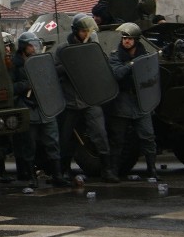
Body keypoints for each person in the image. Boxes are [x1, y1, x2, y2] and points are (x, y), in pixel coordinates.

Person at [54, 13, 119, 183]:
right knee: (66, 137)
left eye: (87, 31)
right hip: (70, 100)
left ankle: (107, 170)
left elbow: (103, 66)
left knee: (100, 133)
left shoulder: (93, 47)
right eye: (83, 31)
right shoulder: (63, 49)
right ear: (76, 31)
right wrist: (70, 65)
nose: (86, 34)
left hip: (91, 98)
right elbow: (54, 71)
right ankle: (64, 170)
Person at [10, 32, 70, 187]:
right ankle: (31, 177)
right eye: (31, 45)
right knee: (29, 144)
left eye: (35, 45)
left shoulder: (42, 61)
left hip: (45, 107)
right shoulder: (15, 65)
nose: (34, 48)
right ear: (24, 47)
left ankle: (57, 175)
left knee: (52, 142)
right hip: (28, 107)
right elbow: (10, 88)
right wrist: (26, 84)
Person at [107, 23, 159, 180]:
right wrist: (131, 65)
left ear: (136, 40)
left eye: (129, 39)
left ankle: (152, 170)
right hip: (122, 102)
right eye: (124, 38)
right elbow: (117, 73)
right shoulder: (116, 55)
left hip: (141, 101)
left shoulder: (145, 55)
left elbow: (151, 76)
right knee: (118, 139)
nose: (126, 41)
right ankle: (113, 171)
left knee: (148, 136)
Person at [0, 31, 16, 183]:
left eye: (8, 46)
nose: (7, 50)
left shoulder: (13, 63)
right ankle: (1, 171)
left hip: (11, 104)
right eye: (4, 47)